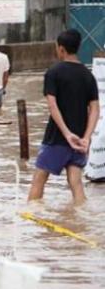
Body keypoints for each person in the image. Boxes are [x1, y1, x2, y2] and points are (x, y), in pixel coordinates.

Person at [28, 29, 100, 203]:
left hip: (57, 138)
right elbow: (95, 109)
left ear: (61, 49)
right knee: (75, 182)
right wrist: (86, 138)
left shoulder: (53, 72)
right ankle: (81, 221)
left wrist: (67, 134)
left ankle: (29, 221)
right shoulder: (88, 75)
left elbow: (52, 105)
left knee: (39, 180)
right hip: (80, 140)